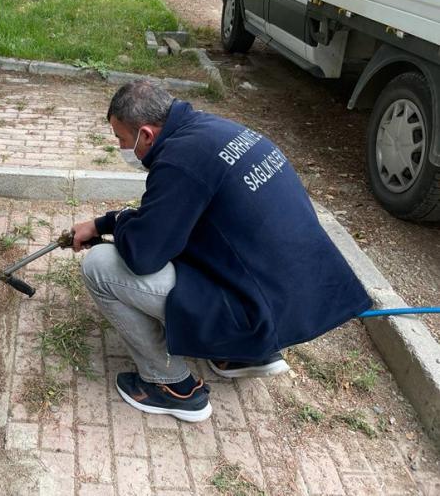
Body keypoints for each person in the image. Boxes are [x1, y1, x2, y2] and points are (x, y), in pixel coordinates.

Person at [72, 80, 371, 422]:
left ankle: (171, 386)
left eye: (122, 140)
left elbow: (144, 255)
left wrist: (114, 226)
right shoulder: (213, 130)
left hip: (258, 313)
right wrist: (103, 223)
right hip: (296, 302)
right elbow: (171, 217)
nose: (123, 148)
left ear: (146, 134)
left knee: (100, 265)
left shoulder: (179, 162)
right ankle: (244, 355)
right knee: (178, 243)